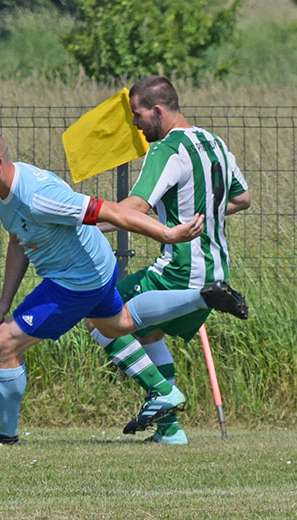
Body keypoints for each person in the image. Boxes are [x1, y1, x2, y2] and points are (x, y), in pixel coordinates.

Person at [0, 124, 247, 445]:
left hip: (74, 281)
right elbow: (18, 240)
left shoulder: (39, 196)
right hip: (96, 269)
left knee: (4, 344)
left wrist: (167, 234)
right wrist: (4, 300)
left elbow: (112, 211)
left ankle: (4, 436)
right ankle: (202, 300)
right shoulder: (0, 192)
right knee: (115, 325)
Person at [88, 75, 251, 445]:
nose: (134, 123)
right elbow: (243, 199)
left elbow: (136, 207)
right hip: (216, 267)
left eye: (138, 114)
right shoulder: (215, 142)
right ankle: (169, 431)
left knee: (97, 314)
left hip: (181, 268)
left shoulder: (165, 149)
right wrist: (204, 208)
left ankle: (163, 393)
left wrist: (85, 225)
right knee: (148, 332)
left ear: (158, 111)